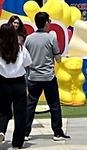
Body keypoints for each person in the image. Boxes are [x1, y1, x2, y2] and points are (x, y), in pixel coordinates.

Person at [23, 11, 69, 142]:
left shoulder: (29, 39)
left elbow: (25, 58)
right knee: (54, 105)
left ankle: (25, 132)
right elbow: (58, 58)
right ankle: (57, 132)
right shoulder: (51, 38)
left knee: (30, 105)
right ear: (46, 23)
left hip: (33, 77)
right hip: (48, 77)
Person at [0, 23, 32, 150]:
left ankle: (1, 132)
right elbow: (27, 63)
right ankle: (17, 143)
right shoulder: (21, 49)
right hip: (19, 82)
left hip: (4, 83)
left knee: (3, 111)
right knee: (21, 113)